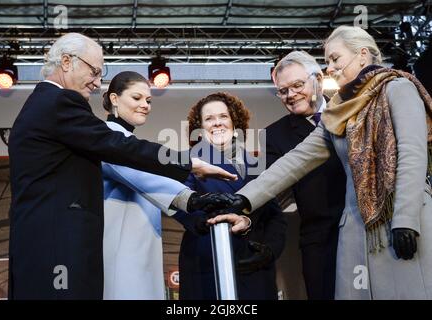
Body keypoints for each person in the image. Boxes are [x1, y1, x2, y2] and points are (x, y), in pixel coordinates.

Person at [7, 33, 238, 300]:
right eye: (94, 71)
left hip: (43, 247)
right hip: (59, 251)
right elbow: (123, 150)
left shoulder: (41, 105)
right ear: (67, 62)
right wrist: (190, 167)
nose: (97, 82)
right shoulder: (60, 103)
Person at [210, 25, 432, 299]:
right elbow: (295, 161)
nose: (330, 68)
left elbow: (412, 154)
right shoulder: (339, 112)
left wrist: (405, 220)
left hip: (400, 222)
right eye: (327, 61)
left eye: (335, 59)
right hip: (354, 232)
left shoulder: (398, 88)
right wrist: (243, 199)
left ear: (362, 55)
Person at [101, 72, 251, 299]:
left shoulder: (126, 140)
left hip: (139, 240)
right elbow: (143, 176)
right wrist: (193, 200)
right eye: (137, 98)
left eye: (148, 101)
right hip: (122, 241)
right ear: (114, 99)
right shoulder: (109, 136)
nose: (145, 105)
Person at [174, 92, 287, 300]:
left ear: (235, 121)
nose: (217, 123)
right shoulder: (188, 161)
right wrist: (203, 221)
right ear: (199, 128)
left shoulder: (257, 163)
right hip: (208, 259)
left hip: (253, 264)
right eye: (209, 119)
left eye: (223, 116)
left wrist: (269, 251)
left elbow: (276, 217)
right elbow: (179, 206)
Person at [266, 51, 346, 299]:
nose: (291, 95)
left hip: (365, 231)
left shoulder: (351, 111)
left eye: (297, 85)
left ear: (319, 80)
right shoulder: (273, 135)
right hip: (319, 240)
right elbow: (269, 190)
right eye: (283, 91)